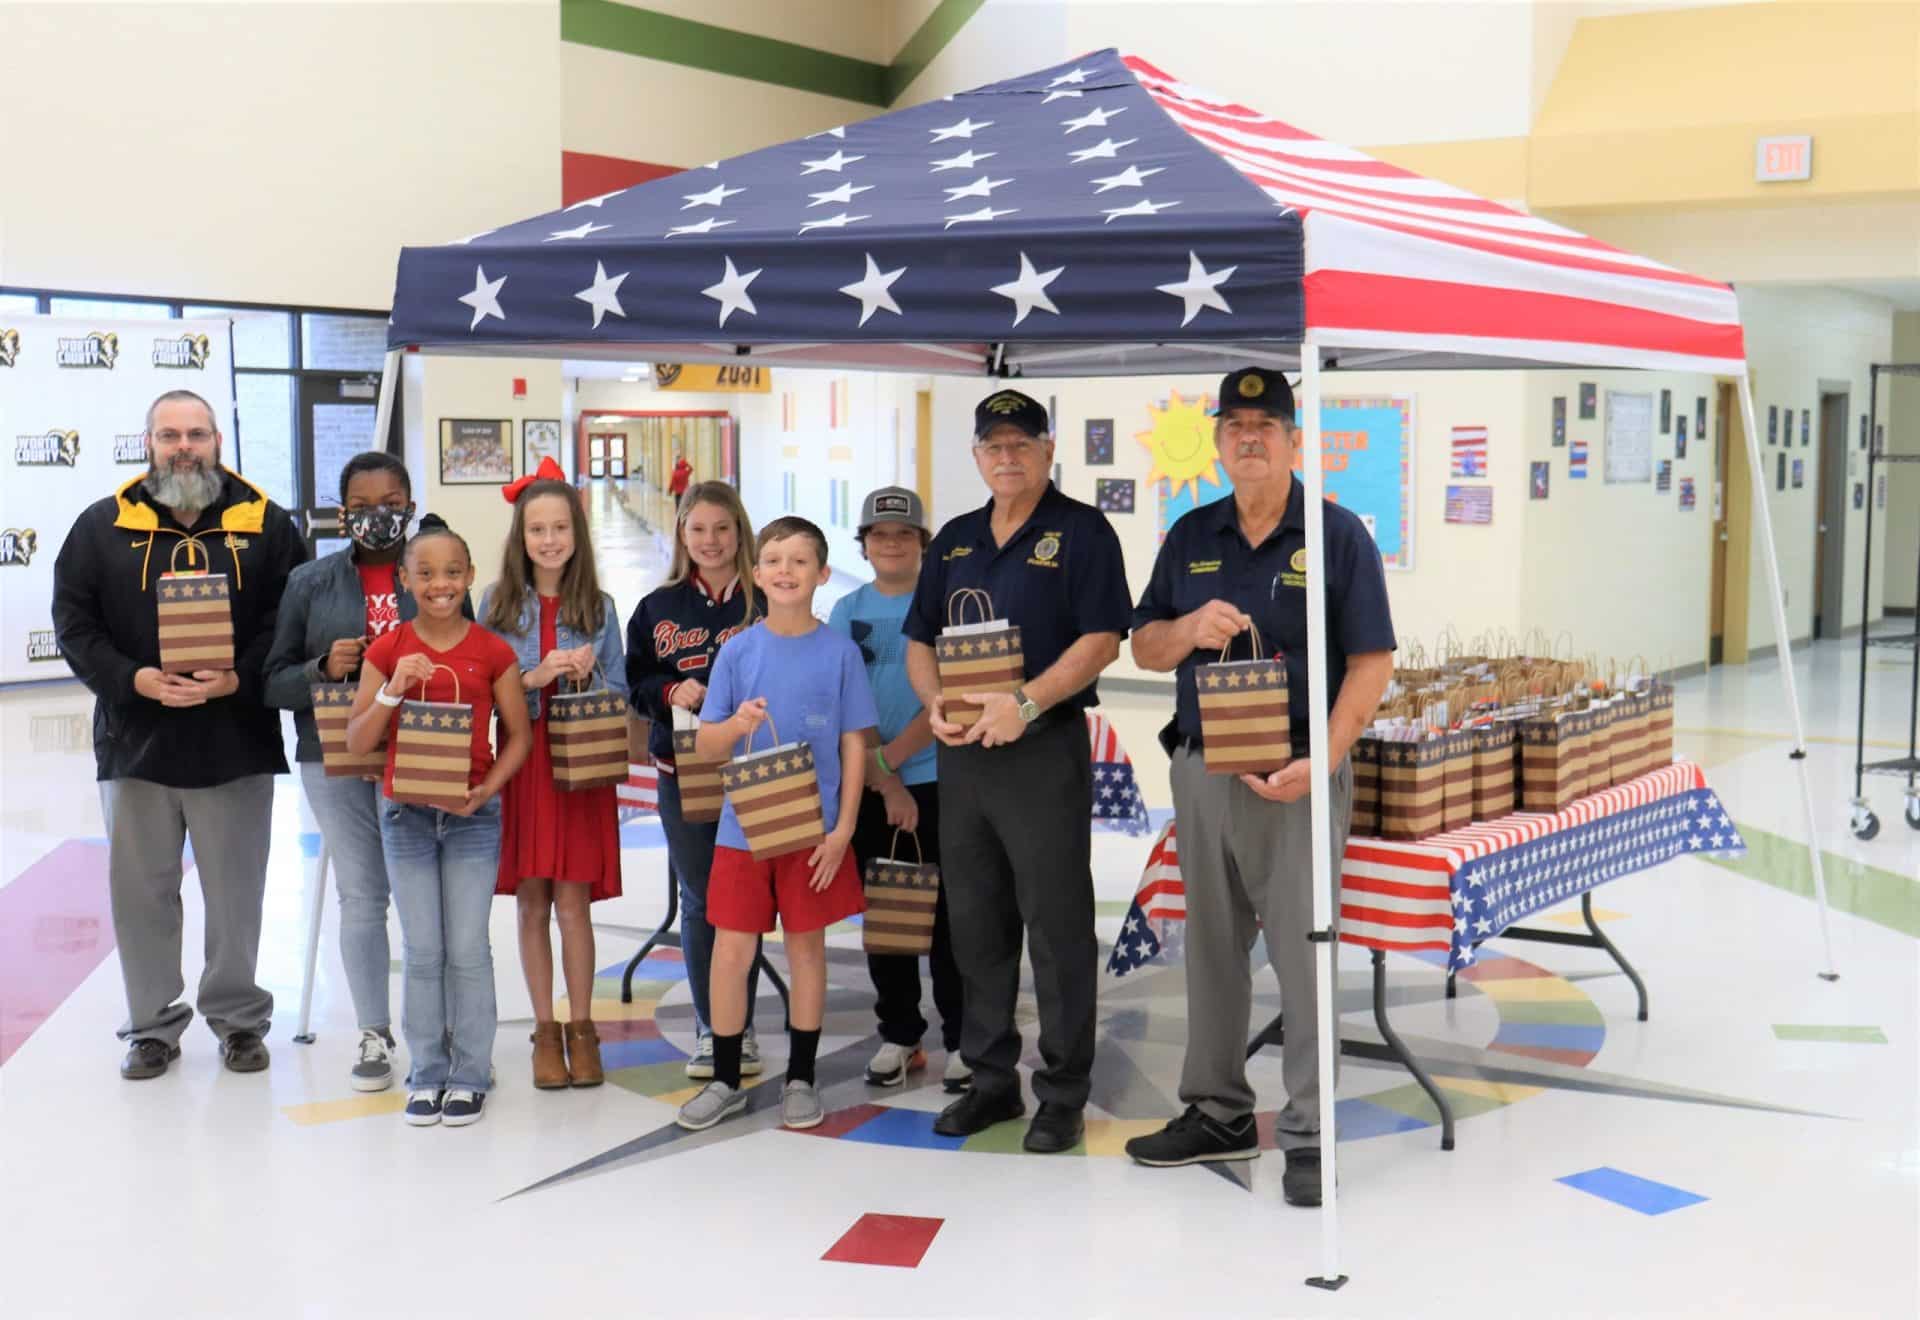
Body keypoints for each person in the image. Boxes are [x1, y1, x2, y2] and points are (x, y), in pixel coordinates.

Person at [1122, 367, 1396, 1208]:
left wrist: (1327, 758)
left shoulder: (1337, 535)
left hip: (1299, 773)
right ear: (1217, 442)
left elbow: (1372, 662)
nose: (1249, 439)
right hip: (1205, 769)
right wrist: (1185, 628)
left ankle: (1309, 1131)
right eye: (1234, 427)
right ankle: (1218, 1111)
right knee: (1210, 950)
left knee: (1305, 955)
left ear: (1294, 440)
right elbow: (1144, 648)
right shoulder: (1190, 534)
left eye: (1265, 426)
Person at [52, 390, 307, 1081]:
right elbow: (74, 625)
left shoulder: (267, 525)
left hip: (236, 742)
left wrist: (238, 679)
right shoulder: (100, 527)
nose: (184, 447)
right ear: (149, 444)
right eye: (170, 435)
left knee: (236, 897)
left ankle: (239, 1021)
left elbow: (288, 624)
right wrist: (133, 680)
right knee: (142, 896)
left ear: (218, 440)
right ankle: (151, 1028)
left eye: (197, 433)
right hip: (136, 744)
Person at [904, 389, 1132, 1154]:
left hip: (1041, 751)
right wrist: (934, 702)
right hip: (964, 756)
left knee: (1057, 927)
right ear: (977, 456)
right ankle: (991, 1078)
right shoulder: (956, 540)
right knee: (976, 924)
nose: (1007, 457)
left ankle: (1063, 1093)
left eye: (1022, 444)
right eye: (993, 445)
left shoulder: (1082, 532)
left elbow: (1103, 639)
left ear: (1047, 450)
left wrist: (1026, 703)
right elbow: (920, 639)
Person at [675, 516, 876, 1133]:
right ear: (756, 574)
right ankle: (726, 1078)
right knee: (731, 951)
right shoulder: (738, 651)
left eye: (800, 561)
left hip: (814, 835)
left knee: (806, 950)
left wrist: (843, 830)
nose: (786, 571)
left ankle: (801, 1077)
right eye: (774, 560)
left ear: (822, 573)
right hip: (743, 831)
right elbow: (706, 745)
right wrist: (737, 724)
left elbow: (854, 745)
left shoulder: (840, 653)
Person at [264, 450, 446, 1092]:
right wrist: (323, 667)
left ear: (411, 507)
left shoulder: (434, 571)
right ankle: (373, 1031)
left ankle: (437, 1031)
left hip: (422, 750)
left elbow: (470, 659)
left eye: (391, 505)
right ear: (343, 515)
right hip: (335, 755)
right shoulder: (309, 582)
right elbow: (272, 682)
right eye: (363, 507)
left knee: (426, 896)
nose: (378, 517)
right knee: (362, 895)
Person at [345, 516, 530, 1128]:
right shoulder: (388, 650)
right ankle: (427, 1070)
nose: (439, 584)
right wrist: (394, 688)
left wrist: (486, 791)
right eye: (424, 573)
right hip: (406, 817)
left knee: (469, 949)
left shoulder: (493, 651)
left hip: (472, 818)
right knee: (423, 951)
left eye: (451, 572)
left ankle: (471, 1072)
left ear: (470, 575)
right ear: (405, 580)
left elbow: (518, 737)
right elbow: (358, 739)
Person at [481, 460, 627, 1090]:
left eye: (559, 528)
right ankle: (545, 1029)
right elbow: (483, 692)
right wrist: (533, 678)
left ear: (577, 533)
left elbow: (621, 692)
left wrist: (590, 677)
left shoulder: (601, 607)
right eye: (536, 529)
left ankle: (583, 1027)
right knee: (532, 899)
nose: (549, 540)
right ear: (521, 536)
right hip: (524, 763)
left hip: (580, 767)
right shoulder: (496, 604)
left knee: (573, 901)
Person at [625, 481, 767, 1079]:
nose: (711, 541)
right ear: (682, 533)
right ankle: (714, 1028)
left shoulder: (765, 601)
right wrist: (668, 690)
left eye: (722, 528)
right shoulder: (656, 608)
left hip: (755, 770)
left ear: (740, 532)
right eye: (698, 529)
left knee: (744, 899)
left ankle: (743, 1025)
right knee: (703, 898)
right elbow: (635, 683)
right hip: (681, 773)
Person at [827, 487, 967, 1092]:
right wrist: (885, 782)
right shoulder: (847, 610)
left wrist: (895, 763)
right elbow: (843, 698)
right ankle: (900, 1033)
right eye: (879, 535)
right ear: (863, 544)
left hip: (938, 778)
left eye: (903, 534)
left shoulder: (942, 606)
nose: (891, 544)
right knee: (888, 914)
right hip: (871, 786)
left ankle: (961, 1038)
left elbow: (946, 696)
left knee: (950, 918)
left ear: (922, 543)